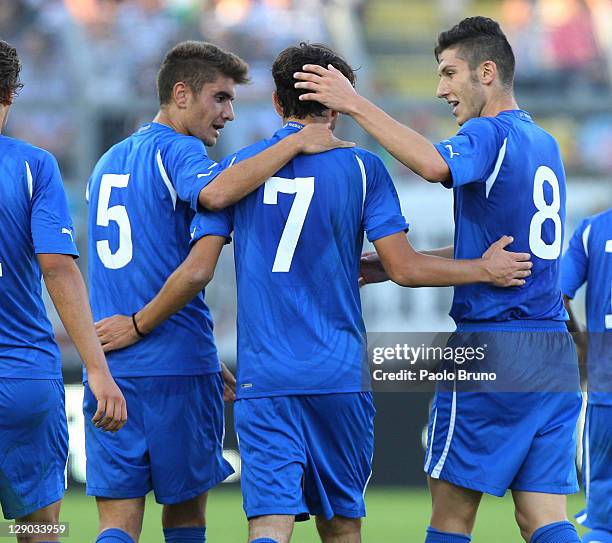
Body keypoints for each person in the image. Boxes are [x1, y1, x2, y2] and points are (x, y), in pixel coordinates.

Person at [96, 42, 532, 543]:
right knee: (342, 527)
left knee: (268, 525)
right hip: (338, 374)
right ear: (340, 103)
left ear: (279, 105)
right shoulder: (363, 168)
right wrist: (482, 267)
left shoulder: (237, 171)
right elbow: (405, 268)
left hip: (266, 378)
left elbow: (198, 268)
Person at [295, 16, 584, 543]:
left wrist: (355, 104)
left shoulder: (487, 133)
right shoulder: (542, 143)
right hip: (551, 352)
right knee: (544, 517)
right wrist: (386, 265)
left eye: (450, 73)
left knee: (452, 518)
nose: (440, 89)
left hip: (492, 349)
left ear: (487, 72)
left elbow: (431, 164)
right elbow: (504, 248)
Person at [85, 40, 353, 543]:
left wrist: (205, 355)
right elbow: (210, 211)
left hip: (111, 364)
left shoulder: (108, 161)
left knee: (115, 526)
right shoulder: (180, 150)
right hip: (174, 366)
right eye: (220, 98)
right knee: (185, 520)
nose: (228, 113)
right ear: (181, 94)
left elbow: (140, 261)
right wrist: (294, 141)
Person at [0, 39, 126, 542]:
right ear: (10, 91)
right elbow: (58, 269)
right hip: (23, 378)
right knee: (42, 532)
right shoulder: (33, 166)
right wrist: (97, 369)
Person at [562, 208, 612, 543]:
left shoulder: (594, 229)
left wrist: (580, 341)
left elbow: (556, 293)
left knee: (605, 524)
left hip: (606, 388)